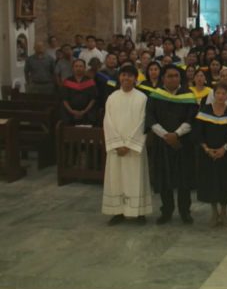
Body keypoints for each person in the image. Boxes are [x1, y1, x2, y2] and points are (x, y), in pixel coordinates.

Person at [146, 65, 198, 225]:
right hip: (162, 143)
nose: (173, 78)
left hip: (183, 144)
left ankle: (185, 212)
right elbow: (150, 118)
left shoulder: (188, 96)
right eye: (169, 76)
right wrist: (165, 135)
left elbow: (192, 119)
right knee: (164, 178)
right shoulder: (155, 96)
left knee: (184, 180)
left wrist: (176, 134)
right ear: (163, 78)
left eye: (176, 75)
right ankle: (166, 211)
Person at [102, 64, 152, 225]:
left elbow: (142, 122)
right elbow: (107, 122)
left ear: (135, 79)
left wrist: (129, 144)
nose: (126, 78)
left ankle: (139, 212)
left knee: (136, 178)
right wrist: (117, 144)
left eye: (130, 76)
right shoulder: (112, 97)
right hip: (116, 147)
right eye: (123, 75)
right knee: (116, 179)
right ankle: (118, 212)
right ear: (119, 77)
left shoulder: (141, 98)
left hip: (133, 148)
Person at [194, 83, 227, 228]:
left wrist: (224, 148)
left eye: (224, 94)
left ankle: (223, 213)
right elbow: (198, 132)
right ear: (213, 94)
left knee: (224, 182)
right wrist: (207, 149)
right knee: (210, 183)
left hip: (226, 154)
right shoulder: (205, 111)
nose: (220, 96)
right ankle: (214, 213)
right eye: (218, 93)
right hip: (207, 154)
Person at [61, 59, 98, 125]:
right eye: (76, 66)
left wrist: (84, 111)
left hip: (87, 112)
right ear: (72, 68)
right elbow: (64, 99)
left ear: (84, 68)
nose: (78, 68)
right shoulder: (67, 81)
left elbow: (93, 99)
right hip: (70, 112)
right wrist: (72, 111)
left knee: (92, 117)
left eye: (81, 66)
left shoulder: (90, 81)